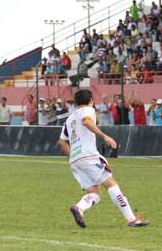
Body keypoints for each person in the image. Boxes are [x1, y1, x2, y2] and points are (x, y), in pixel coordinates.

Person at [59, 89, 149, 228]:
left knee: (95, 193)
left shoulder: (69, 119)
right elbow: (87, 122)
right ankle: (131, 219)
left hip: (75, 160)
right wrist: (105, 136)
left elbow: (62, 142)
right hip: (89, 155)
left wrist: (74, 156)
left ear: (76, 103)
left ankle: (79, 207)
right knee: (111, 184)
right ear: (91, 101)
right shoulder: (88, 110)